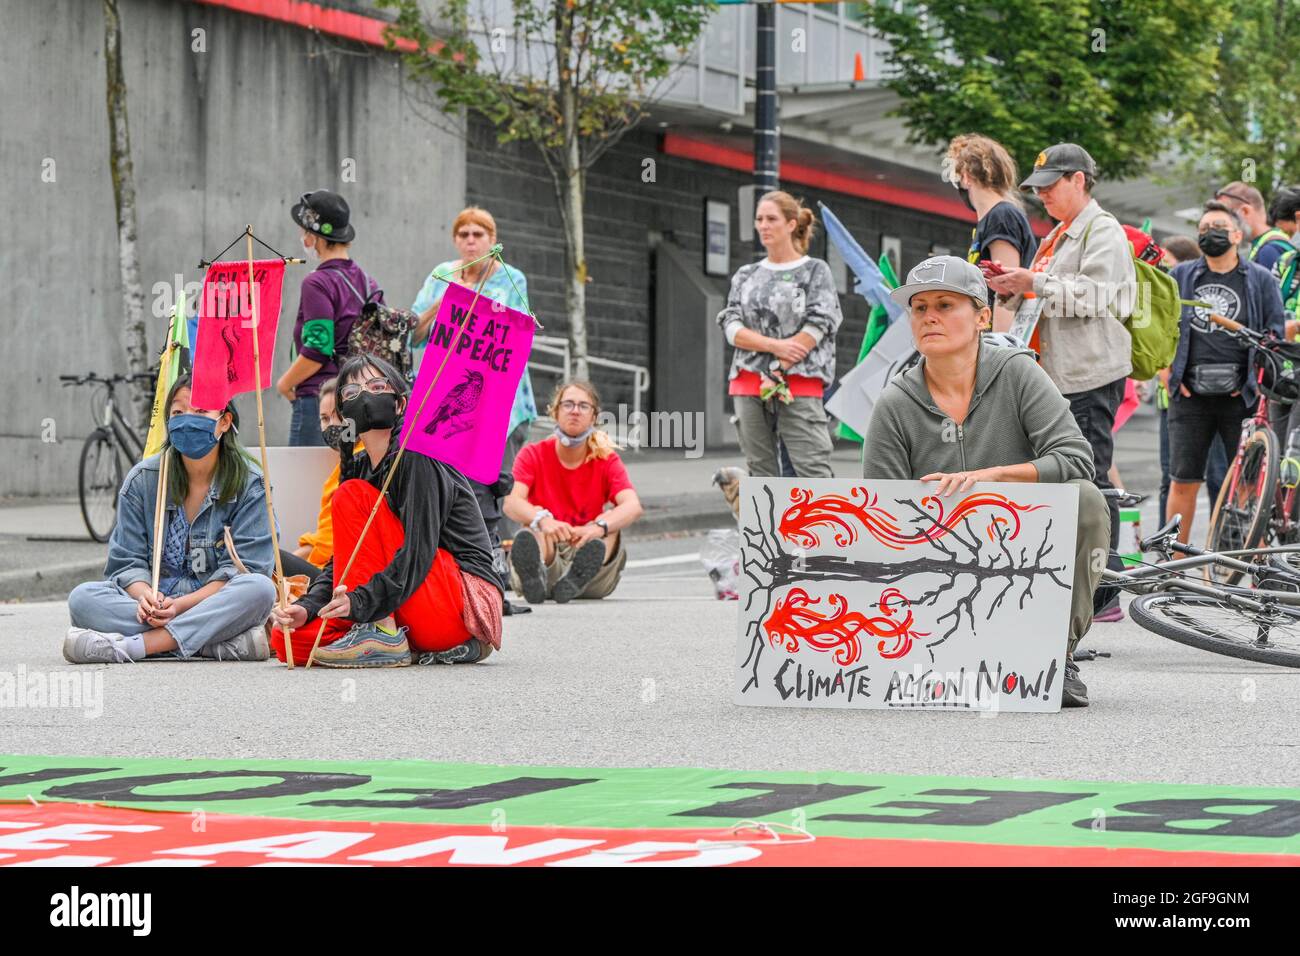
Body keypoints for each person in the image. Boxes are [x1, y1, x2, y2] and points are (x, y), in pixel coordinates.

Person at [863, 256, 1110, 708]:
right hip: (935, 560)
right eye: (919, 308)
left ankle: (1058, 654)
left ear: (981, 317)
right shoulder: (894, 404)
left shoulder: (1017, 372)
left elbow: (1077, 459)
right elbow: (879, 515)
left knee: (1088, 500)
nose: (929, 317)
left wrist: (992, 477)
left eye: (945, 305)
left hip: (1019, 541)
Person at [269, 354, 503, 667]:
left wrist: (359, 603)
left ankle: (383, 632)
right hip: (403, 602)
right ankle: (392, 637)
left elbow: (418, 553)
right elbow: (344, 559)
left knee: (350, 496)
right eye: (351, 393)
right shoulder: (360, 468)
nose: (364, 396)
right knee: (288, 641)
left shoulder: (418, 455)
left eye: (377, 386)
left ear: (399, 404)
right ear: (344, 413)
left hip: (458, 604)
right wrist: (309, 606)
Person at [988, 143, 1136, 620]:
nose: (1044, 195)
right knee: (1066, 478)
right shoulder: (1061, 234)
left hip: (1089, 375)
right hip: (1059, 376)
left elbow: (1094, 297)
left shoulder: (1103, 231)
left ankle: (1103, 590)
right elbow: (1045, 298)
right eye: (1039, 188)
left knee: (1090, 480)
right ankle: (1077, 582)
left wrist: (1031, 280)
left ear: (1079, 180)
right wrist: (1015, 284)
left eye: (1052, 185)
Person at [64, 375, 277, 663]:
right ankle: (210, 644)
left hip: (211, 600)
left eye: (200, 411)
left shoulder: (251, 484)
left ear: (224, 422)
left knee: (260, 591)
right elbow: (126, 563)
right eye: (178, 412)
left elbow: (247, 570)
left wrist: (179, 607)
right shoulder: (143, 479)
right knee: (82, 599)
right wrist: (146, 599)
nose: (187, 420)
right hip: (159, 603)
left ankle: (138, 646)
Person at [1166, 202, 1287, 543]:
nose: (1209, 234)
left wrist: (1255, 378)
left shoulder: (1260, 280)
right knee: (1183, 479)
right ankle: (1173, 563)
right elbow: (1161, 328)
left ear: (1237, 234)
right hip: (1189, 397)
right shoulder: (1181, 276)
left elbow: (1273, 334)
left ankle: (1248, 560)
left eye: (1217, 226)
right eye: (1203, 229)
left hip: (1242, 396)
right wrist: (1167, 374)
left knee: (1249, 484)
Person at [717, 190, 843, 479]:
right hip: (747, 382)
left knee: (812, 469)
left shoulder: (814, 270)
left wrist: (779, 367)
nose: (763, 225)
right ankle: (767, 525)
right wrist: (774, 346)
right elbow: (730, 324)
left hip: (799, 382)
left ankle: (821, 525)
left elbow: (820, 322)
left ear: (790, 224)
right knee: (760, 471)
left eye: (771, 219)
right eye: (759, 219)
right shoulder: (746, 274)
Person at [411, 206, 537, 478]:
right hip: (449, 401)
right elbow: (413, 336)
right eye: (463, 234)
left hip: (501, 405)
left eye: (478, 234)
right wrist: (446, 301)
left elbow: (518, 342)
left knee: (494, 486)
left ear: (493, 240)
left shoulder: (512, 280)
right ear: (455, 240)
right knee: (448, 486)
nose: (470, 240)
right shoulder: (441, 274)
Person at [503, 381, 643, 604]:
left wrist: (597, 528)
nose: (575, 411)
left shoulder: (605, 457)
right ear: (555, 412)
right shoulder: (532, 454)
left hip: (589, 557)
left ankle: (575, 580)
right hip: (549, 551)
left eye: (583, 406)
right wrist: (543, 519)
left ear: (594, 417)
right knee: (533, 524)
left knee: (611, 523)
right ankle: (535, 577)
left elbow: (632, 506)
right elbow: (511, 503)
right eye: (568, 404)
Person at [277, 189, 384, 447]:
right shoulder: (370, 284)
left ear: (316, 237)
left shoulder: (318, 282)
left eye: (306, 232)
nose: (303, 238)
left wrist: (284, 384)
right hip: (359, 401)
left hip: (318, 401)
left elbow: (317, 349)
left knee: (305, 484)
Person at [1152, 235, 1225, 528]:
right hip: (1172, 400)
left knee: (1218, 475)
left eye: (1168, 263)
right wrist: (1166, 375)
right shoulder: (1166, 296)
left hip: (1208, 395)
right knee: (1171, 476)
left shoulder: (1201, 295)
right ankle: (1164, 546)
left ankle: (1223, 546)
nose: (1164, 271)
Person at [944, 133, 1037, 331]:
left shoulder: (1001, 216)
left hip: (1001, 339)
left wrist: (1000, 347)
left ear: (967, 177)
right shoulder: (991, 220)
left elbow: (1007, 289)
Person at [290, 377, 348, 571]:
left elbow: (329, 544)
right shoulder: (342, 466)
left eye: (338, 415)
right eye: (324, 418)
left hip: (333, 573)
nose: (332, 424)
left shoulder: (360, 463)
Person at [1214, 182, 1294, 274]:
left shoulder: (1269, 251)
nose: (1223, 228)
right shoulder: (1266, 245)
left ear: (1245, 211)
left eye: (1226, 219)